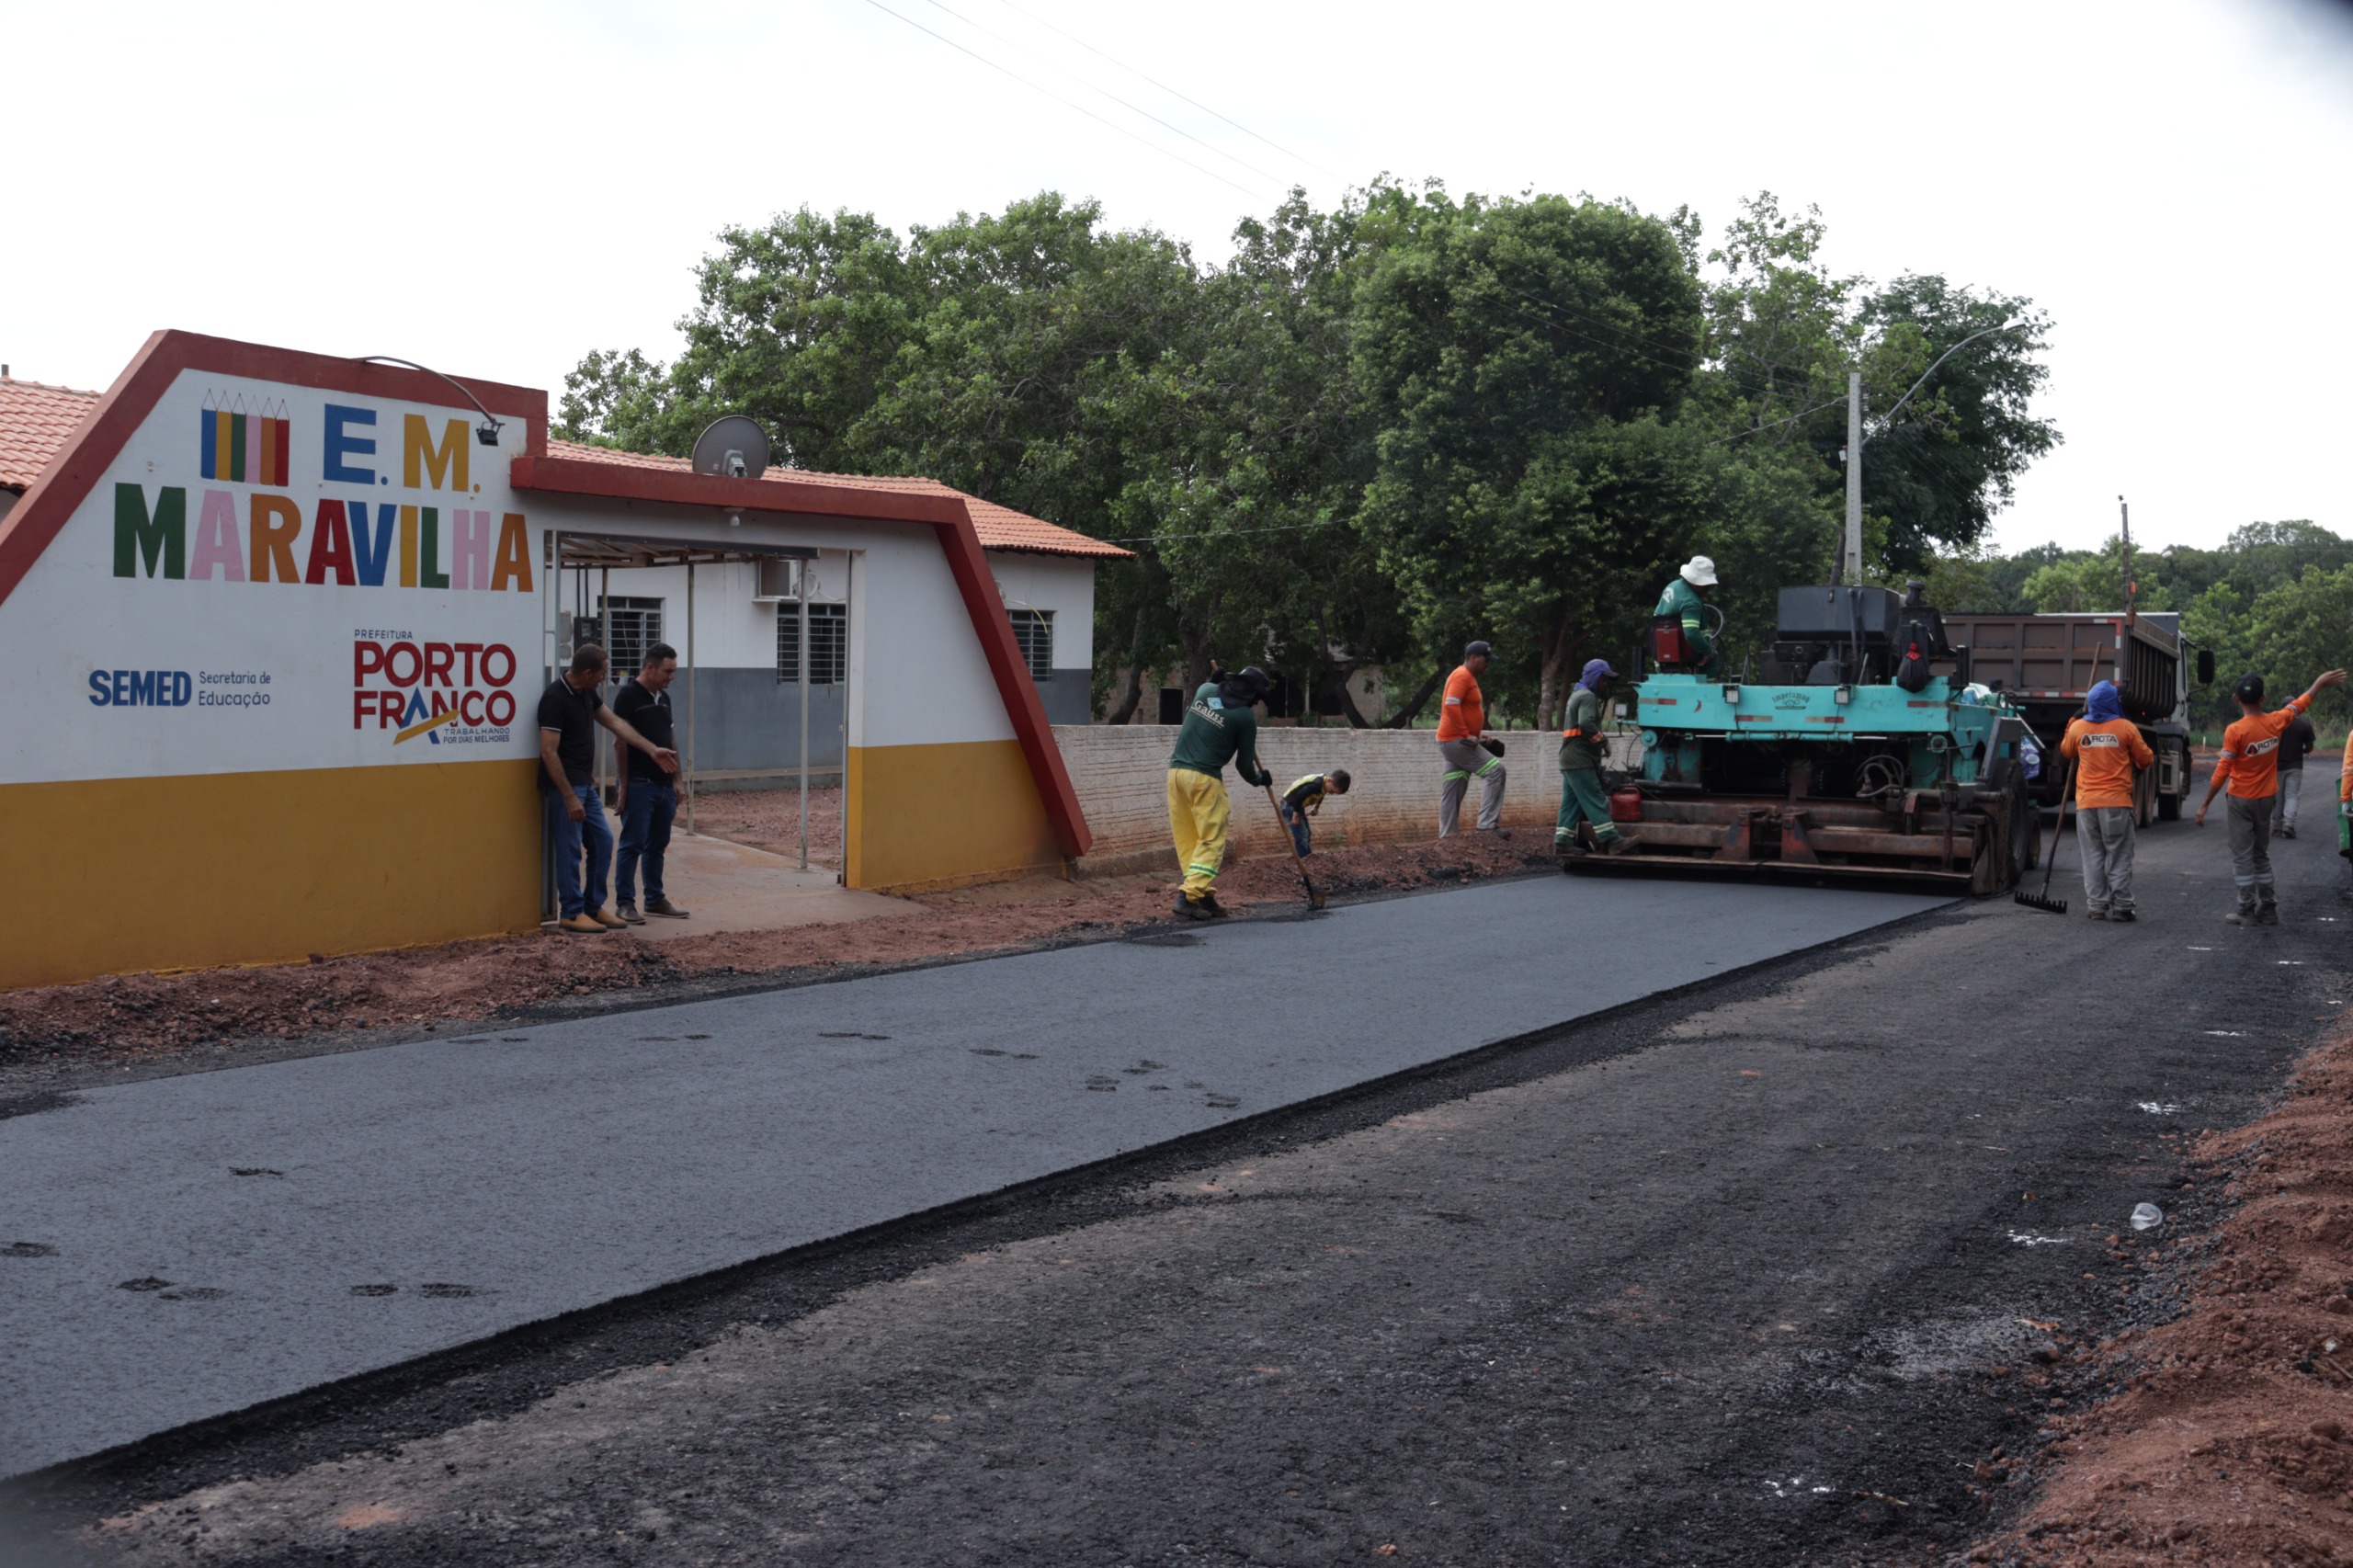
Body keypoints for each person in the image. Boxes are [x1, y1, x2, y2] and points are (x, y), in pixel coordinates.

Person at [538, 643, 680, 936]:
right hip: (566, 786)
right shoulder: (555, 698)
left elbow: (617, 724)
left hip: (585, 785)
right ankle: (572, 913)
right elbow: (548, 752)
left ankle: (593, 906)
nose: (606, 678)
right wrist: (568, 795)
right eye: (603, 673)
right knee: (569, 849)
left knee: (603, 842)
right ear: (588, 672)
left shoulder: (587, 693)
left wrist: (652, 750)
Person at [2194, 667, 2347, 926]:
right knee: (2261, 854)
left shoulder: (2235, 731)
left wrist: (2205, 803)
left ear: (2235, 698)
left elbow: (2222, 771)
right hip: (2266, 800)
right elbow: (2300, 704)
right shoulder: (2276, 721)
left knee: (2242, 856)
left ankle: (2245, 909)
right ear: (2263, 698)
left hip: (2240, 800)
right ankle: (2268, 907)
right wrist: (2318, 683)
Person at [1166, 665, 1274, 920]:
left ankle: (1204, 895)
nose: (1257, 703)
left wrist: (1212, 682)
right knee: (1212, 840)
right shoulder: (1245, 718)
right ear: (1251, 694)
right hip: (1204, 780)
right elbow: (1244, 765)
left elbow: (1207, 706)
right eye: (1257, 698)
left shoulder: (1205, 690)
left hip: (1175, 775)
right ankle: (1187, 897)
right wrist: (1260, 780)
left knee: (1189, 839)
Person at [2059, 680, 2154, 922]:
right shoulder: (2126, 728)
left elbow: (2066, 751)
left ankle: (2097, 906)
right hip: (2117, 803)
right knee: (2119, 853)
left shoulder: (2079, 728)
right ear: (2113, 702)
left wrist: (2071, 724)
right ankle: (2122, 906)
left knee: (2092, 855)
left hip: (2087, 804)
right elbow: (2146, 759)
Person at [612, 642, 690, 925]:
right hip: (640, 784)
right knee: (632, 844)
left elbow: (670, 741)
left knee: (657, 844)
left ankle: (655, 900)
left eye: (673, 671)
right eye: (668, 671)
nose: (672, 677)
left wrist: (677, 781)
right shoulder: (628, 697)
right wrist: (624, 785)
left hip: (663, 787)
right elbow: (619, 743)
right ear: (650, 667)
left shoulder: (663, 698)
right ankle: (624, 903)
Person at [1556, 658, 1638, 860]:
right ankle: (1612, 840)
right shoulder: (1587, 697)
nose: (1605, 684)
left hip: (1569, 759)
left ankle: (1563, 843)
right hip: (1580, 759)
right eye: (1603, 679)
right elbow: (1586, 723)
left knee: (1571, 803)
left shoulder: (1576, 695)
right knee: (1595, 798)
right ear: (1595, 678)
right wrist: (1603, 742)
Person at [1438, 641, 1507, 837]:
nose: (1488, 664)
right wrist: (1464, 733)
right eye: (1486, 660)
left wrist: (1476, 735)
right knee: (1496, 771)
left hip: (1453, 740)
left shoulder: (1466, 676)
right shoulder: (1462, 676)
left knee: (1454, 786)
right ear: (1474, 658)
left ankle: (1448, 836)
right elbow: (1451, 704)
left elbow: (1461, 707)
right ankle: (1486, 826)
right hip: (1457, 741)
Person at [1655, 555, 1722, 678]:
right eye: (1706, 585)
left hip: (1658, 652)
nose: (1708, 589)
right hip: (1682, 652)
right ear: (1696, 583)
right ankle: (1707, 695)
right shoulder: (1691, 602)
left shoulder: (1672, 586)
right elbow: (1691, 633)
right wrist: (1708, 651)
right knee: (1713, 656)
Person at [1279, 768, 1352, 858]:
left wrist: (1316, 808)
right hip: (1289, 805)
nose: (1331, 793)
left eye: (1333, 793)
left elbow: (1321, 795)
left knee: (1307, 833)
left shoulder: (1324, 784)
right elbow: (1300, 795)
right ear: (1329, 780)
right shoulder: (1317, 784)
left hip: (1297, 806)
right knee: (1302, 835)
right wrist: (1295, 816)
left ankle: (1306, 856)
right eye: (1332, 791)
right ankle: (1304, 859)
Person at [2276, 709, 2316, 838]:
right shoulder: (2304, 725)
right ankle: (2289, 824)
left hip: (2277, 767)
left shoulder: (2275, 725)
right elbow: (2309, 746)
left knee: (2277, 797)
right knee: (2292, 796)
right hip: (2295, 766)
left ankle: (2276, 827)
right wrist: (2302, 751)